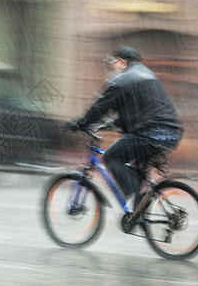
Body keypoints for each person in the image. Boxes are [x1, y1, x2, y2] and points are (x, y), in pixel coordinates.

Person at [68, 45, 184, 224]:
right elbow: (138, 112)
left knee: (112, 157)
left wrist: (81, 123)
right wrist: (108, 124)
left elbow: (101, 105)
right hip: (170, 134)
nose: (113, 67)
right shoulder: (149, 76)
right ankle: (139, 214)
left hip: (149, 134)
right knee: (135, 167)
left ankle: (138, 194)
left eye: (114, 62)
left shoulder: (122, 79)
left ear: (122, 62)